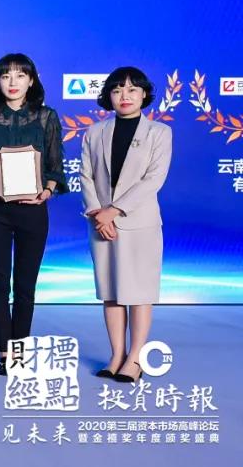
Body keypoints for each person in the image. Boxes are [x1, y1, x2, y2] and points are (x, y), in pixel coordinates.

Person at [0, 53, 67, 375]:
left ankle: (19, 349)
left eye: (20, 75)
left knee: (26, 285)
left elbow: (55, 165)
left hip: (33, 210)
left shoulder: (46, 117)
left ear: (32, 80)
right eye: (5, 76)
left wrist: (48, 190)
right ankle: (3, 350)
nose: (12, 82)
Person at [80, 66, 172, 383]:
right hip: (101, 225)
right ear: (109, 95)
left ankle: (135, 358)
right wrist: (98, 213)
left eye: (132, 89)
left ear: (144, 94)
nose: (125, 96)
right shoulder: (94, 132)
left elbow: (153, 179)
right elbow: (86, 176)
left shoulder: (159, 132)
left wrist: (114, 210)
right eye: (117, 89)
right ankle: (116, 355)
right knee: (111, 292)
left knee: (139, 292)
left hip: (139, 223)